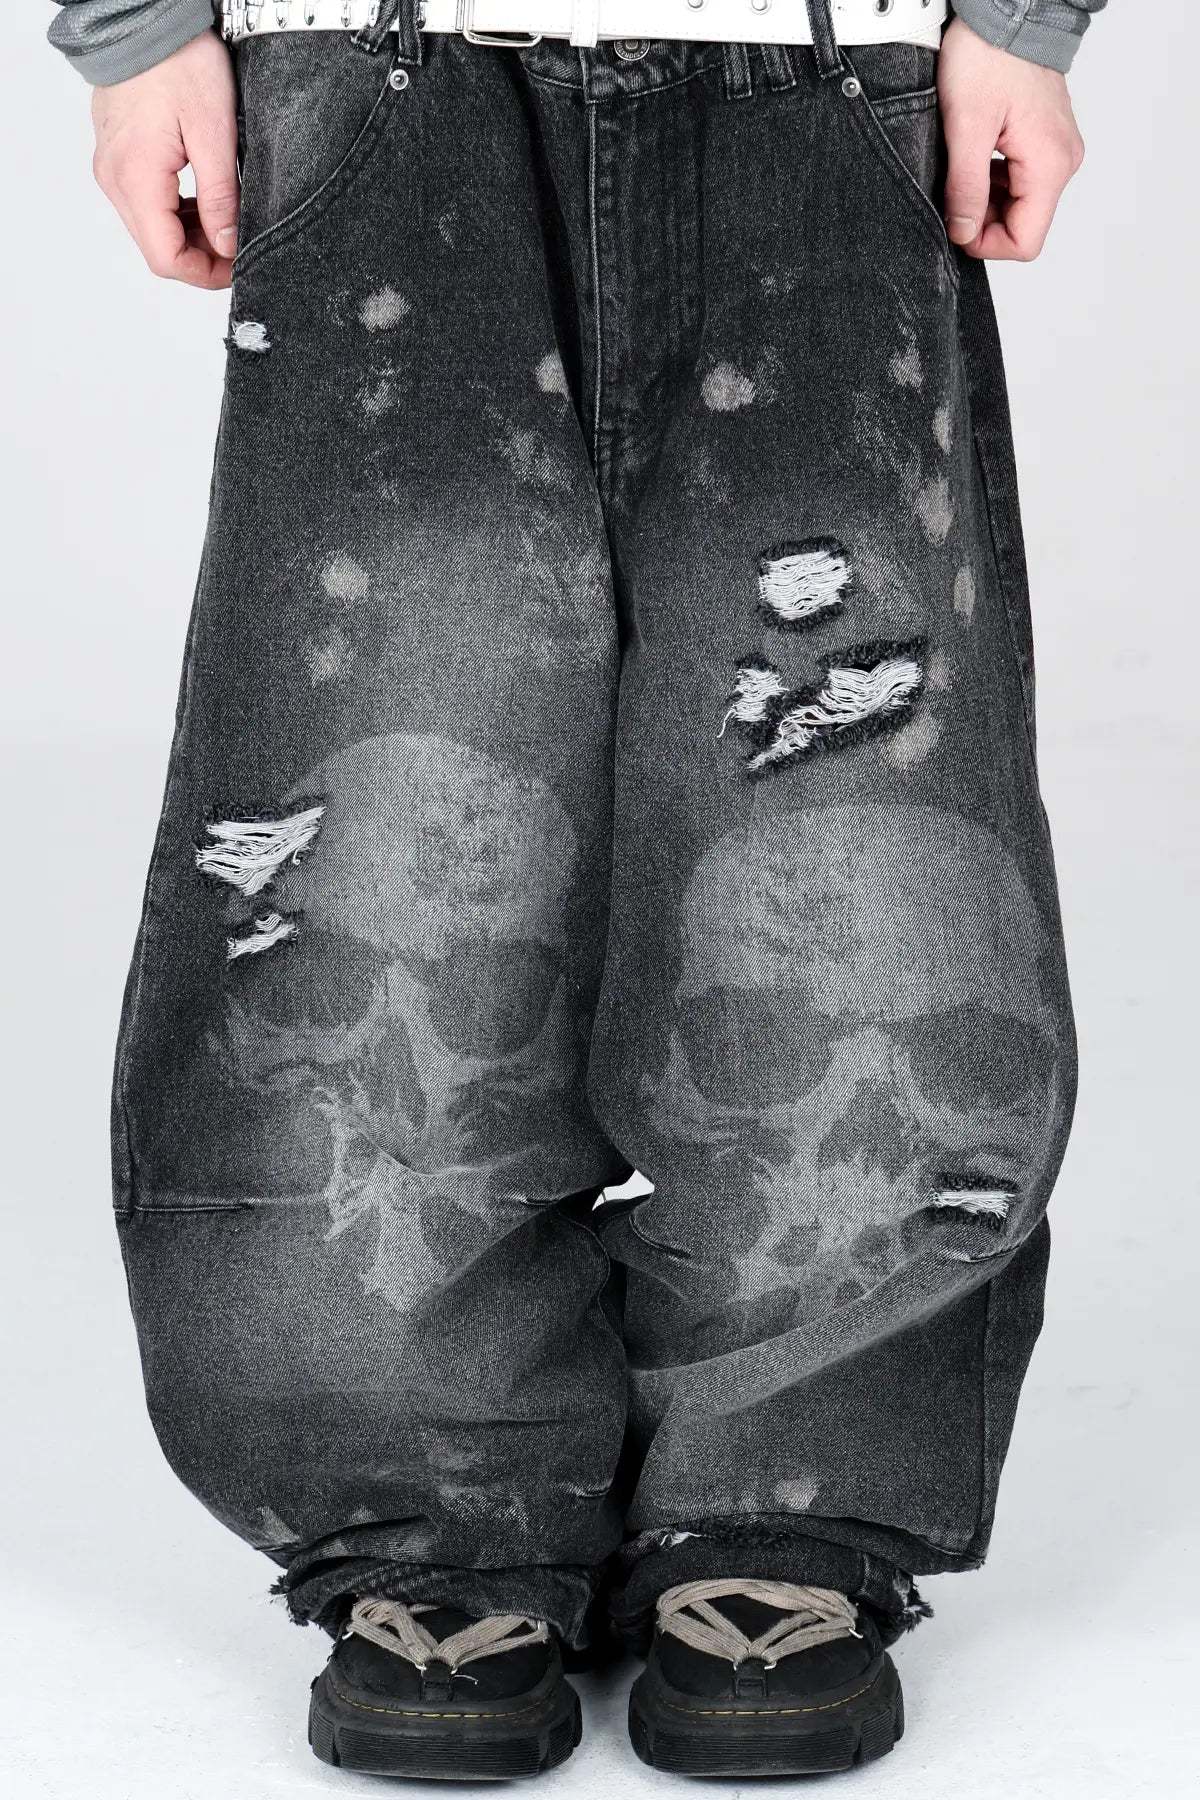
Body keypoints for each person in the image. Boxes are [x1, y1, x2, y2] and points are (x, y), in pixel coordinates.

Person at [52, 0, 1101, 1780]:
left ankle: (792, 1479)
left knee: (849, 812)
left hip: (836, 61)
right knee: (373, 804)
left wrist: (1019, 18)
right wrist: (138, 32)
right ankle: (422, 1490)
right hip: (369, 54)